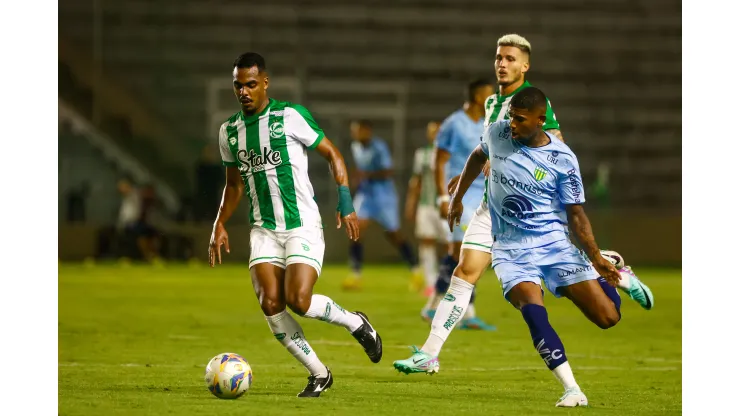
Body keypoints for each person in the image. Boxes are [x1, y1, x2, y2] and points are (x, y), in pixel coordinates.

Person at [395, 87, 655, 407]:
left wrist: (593, 256)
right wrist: (457, 198)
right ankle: (572, 388)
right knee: (532, 310)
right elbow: (478, 156)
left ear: (540, 121)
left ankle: (616, 273)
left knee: (607, 318)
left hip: (553, 245)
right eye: (510, 118)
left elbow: (576, 214)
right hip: (510, 250)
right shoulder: (497, 133)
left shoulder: (563, 159)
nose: (512, 125)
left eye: (519, 120)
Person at [424, 33, 649, 328]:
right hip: (496, 201)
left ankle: (607, 266)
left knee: (549, 265)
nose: (502, 64)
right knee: (469, 267)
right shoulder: (493, 102)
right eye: (499, 58)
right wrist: (477, 167)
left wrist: (522, 168)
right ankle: (435, 345)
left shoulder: (532, 101)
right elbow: (490, 148)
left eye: (510, 59)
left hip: (531, 199)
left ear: (524, 67)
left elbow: (554, 140)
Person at [208, 52, 382, 398]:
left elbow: (333, 153)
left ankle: (355, 322)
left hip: (301, 224)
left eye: (251, 84)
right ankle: (319, 373)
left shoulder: (289, 116)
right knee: (271, 304)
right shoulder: (229, 132)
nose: (243, 91)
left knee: (299, 299)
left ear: (265, 83)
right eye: (238, 85)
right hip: (263, 230)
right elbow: (234, 184)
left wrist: (345, 200)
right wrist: (219, 223)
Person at [423, 79, 496, 330]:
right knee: (460, 252)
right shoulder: (454, 123)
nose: (493, 99)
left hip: (484, 196)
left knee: (468, 253)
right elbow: (439, 160)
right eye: (489, 96)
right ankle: (464, 313)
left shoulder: (488, 124)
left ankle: (434, 305)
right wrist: (445, 197)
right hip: (459, 195)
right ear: (478, 98)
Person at [343, 119, 424, 291]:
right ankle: (355, 275)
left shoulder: (379, 147)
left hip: (383, 196)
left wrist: (365, 175)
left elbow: (388, 171)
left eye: (358, 131)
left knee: (394, 234)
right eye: (353, 131)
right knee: (355, 229)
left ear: (367, 131)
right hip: (365, 195)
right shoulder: (355, 147)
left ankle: (416, 270)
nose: (355, 134)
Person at [404, 121, 448, 295]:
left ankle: (447, 281)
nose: (434, 135)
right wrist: (411, 203)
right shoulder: (421, 154)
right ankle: (431, 283)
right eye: (431, 132)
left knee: (450, 246)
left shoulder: (450, 153)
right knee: (427, 242)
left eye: (437, 132)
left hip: (445, 205)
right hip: (426, 205)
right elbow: (416, 180)